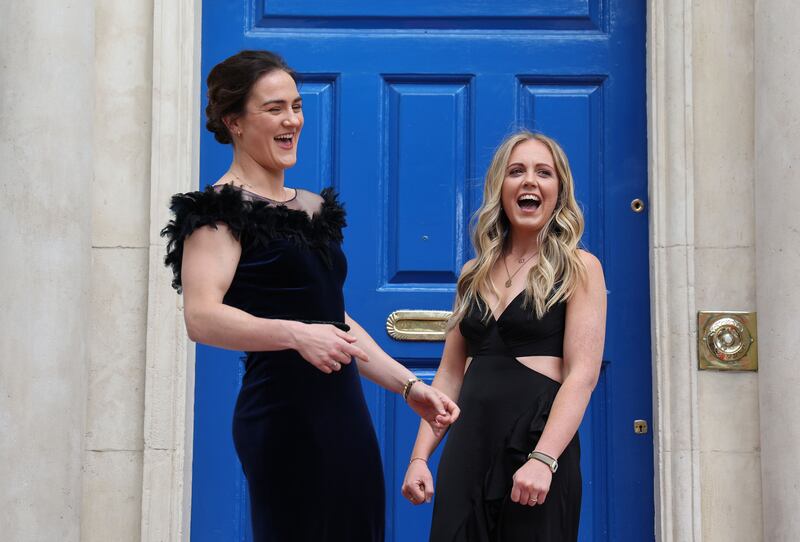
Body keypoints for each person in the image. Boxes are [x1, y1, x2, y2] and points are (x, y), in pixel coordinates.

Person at [161, 50, 460, 542]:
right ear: (234, 121)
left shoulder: (313, 208)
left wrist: (410, 386)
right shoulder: (217, 212)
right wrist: (297, 335)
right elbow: (201, 316)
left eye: (296, 106)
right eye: (274, 108)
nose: (291, 120)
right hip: (282, 415)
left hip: (343, 412)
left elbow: (333, 320)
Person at [401, 131, 606, 542]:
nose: (529, 181)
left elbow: (582, 375)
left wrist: (544, 458)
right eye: (517, 171)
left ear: (558, 190)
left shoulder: (580, 268)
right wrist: (420, 456)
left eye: (543, 172)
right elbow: (450, 374)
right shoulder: (472, 273)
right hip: (468, 442)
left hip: (534, 442)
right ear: (501, 187)